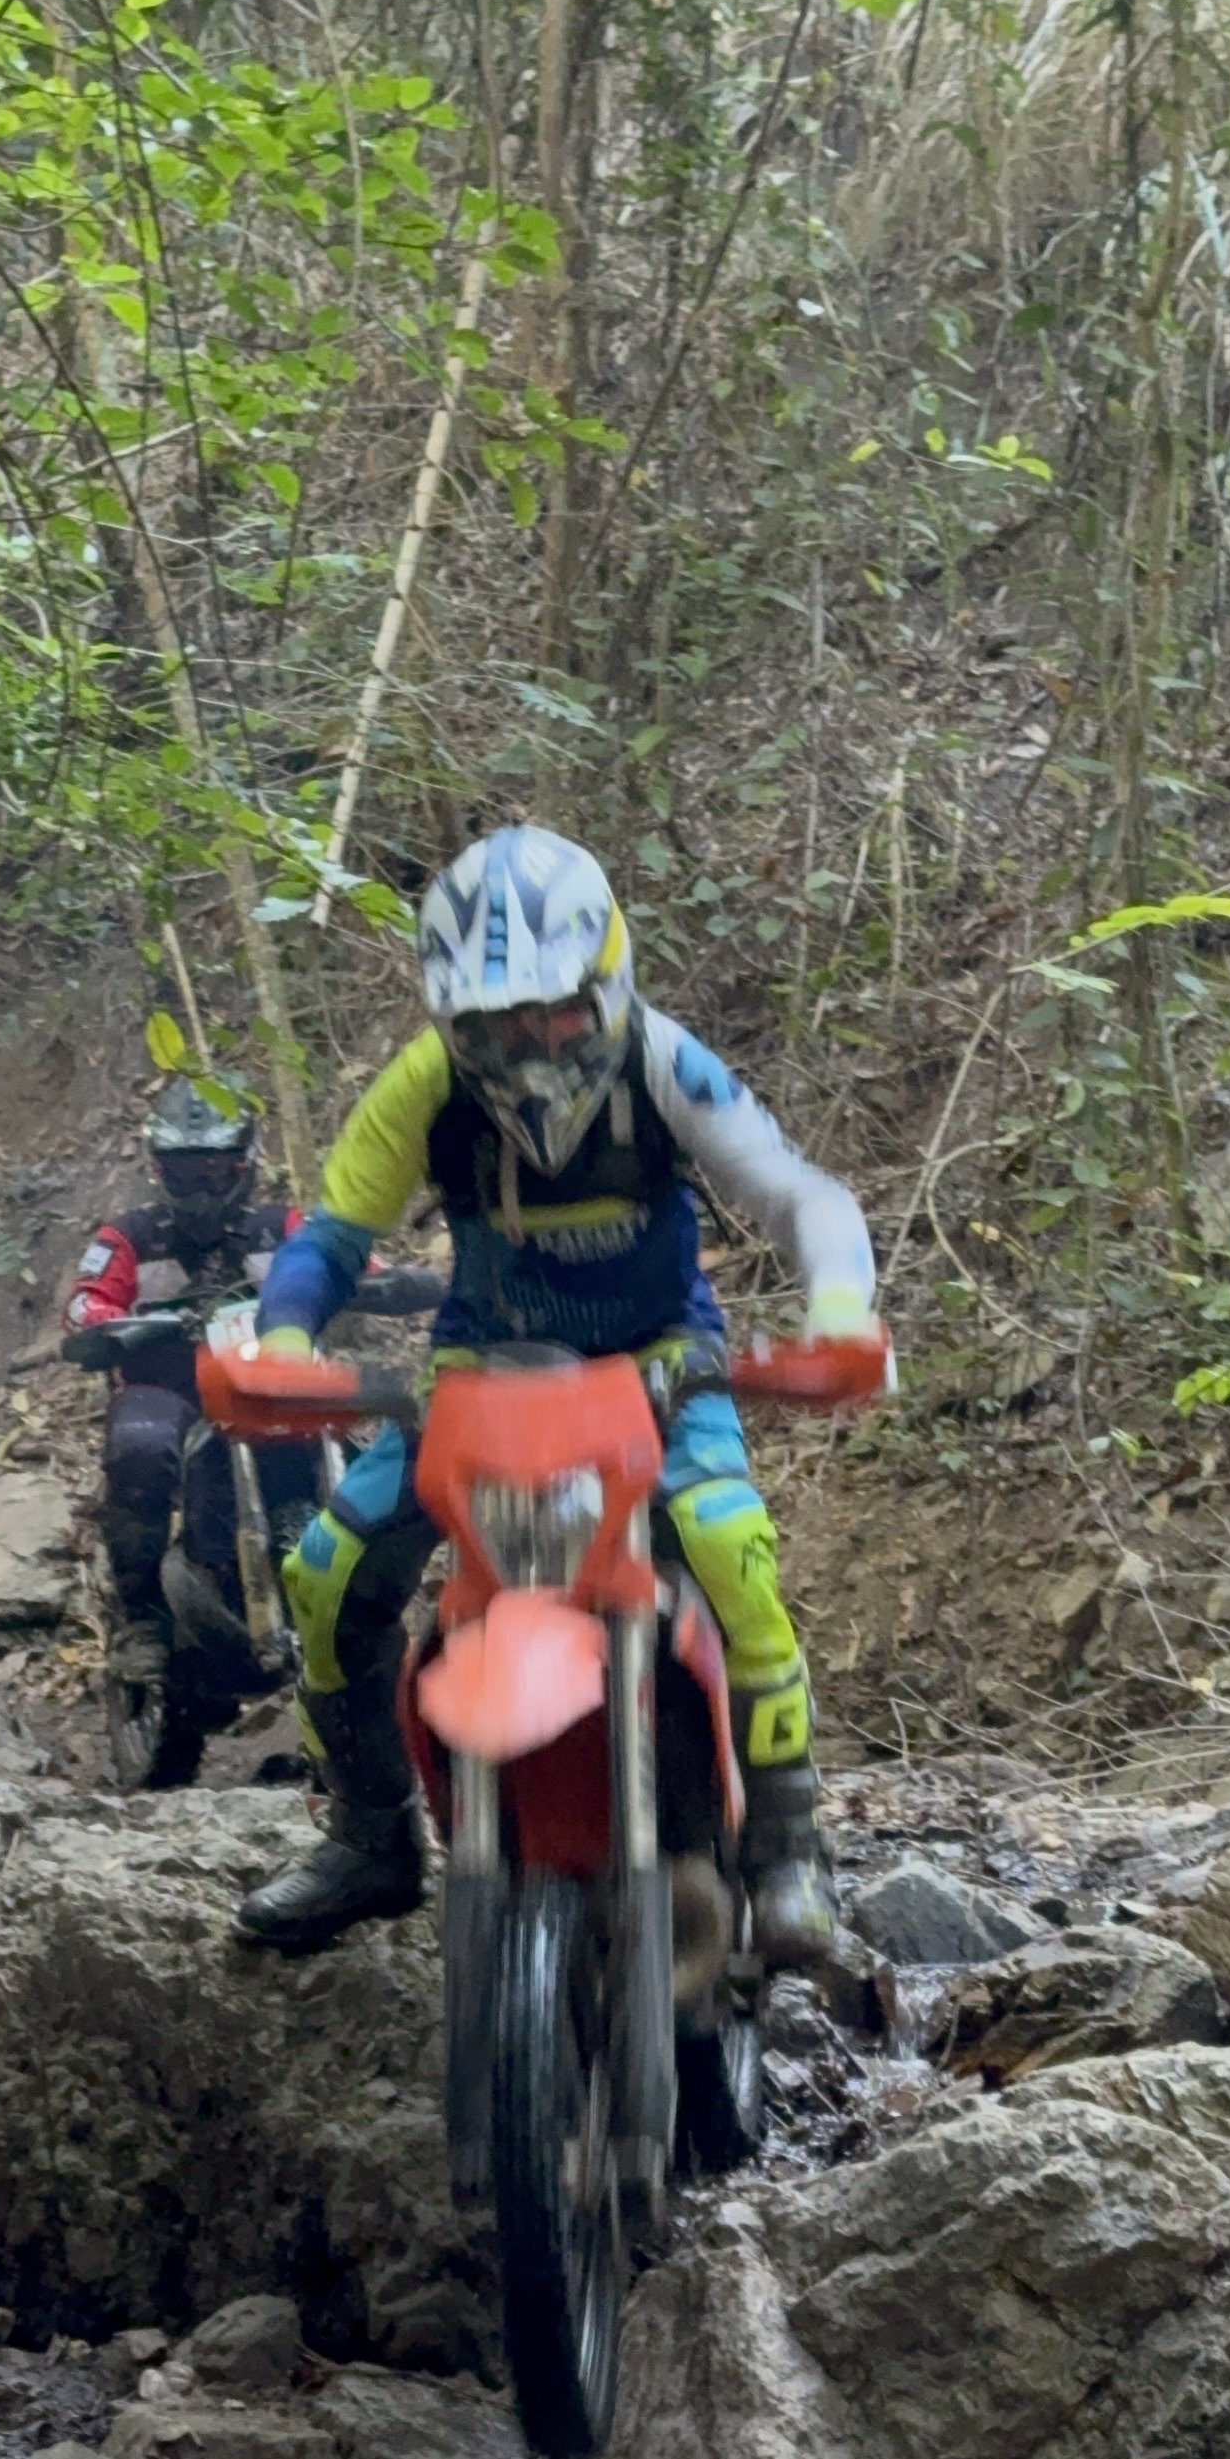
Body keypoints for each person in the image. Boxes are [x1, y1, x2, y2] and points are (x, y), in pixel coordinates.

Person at [232, 823, 880, 1963]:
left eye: (553, 1015)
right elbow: (331, 1233)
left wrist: (837, 1309)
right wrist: (284, 1334)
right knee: (324, 1572)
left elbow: (796, 1193)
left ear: (606, 982)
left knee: (730, 1546)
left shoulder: (664, 1066)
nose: (530, 1052)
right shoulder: (425, 1088)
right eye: (495, 1026)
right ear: (451, 1024)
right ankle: (371, 1833)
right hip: (481, 1378)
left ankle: (788, 1843)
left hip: (665, 1366)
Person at [63, 1076, 297, 1667]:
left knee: (345, 1429)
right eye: (185, 1173)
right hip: (167, 1389)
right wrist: (110, 1322)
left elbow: (344, 1257)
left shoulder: (280, 1227)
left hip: (267, 1384)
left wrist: (376, 1278)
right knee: (140, 1448)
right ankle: (140, 1618)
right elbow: (84, 1299)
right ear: (159, 1171)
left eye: (215, 1172)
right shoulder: (133, 1236)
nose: (201, 1188)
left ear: (244, 1165)